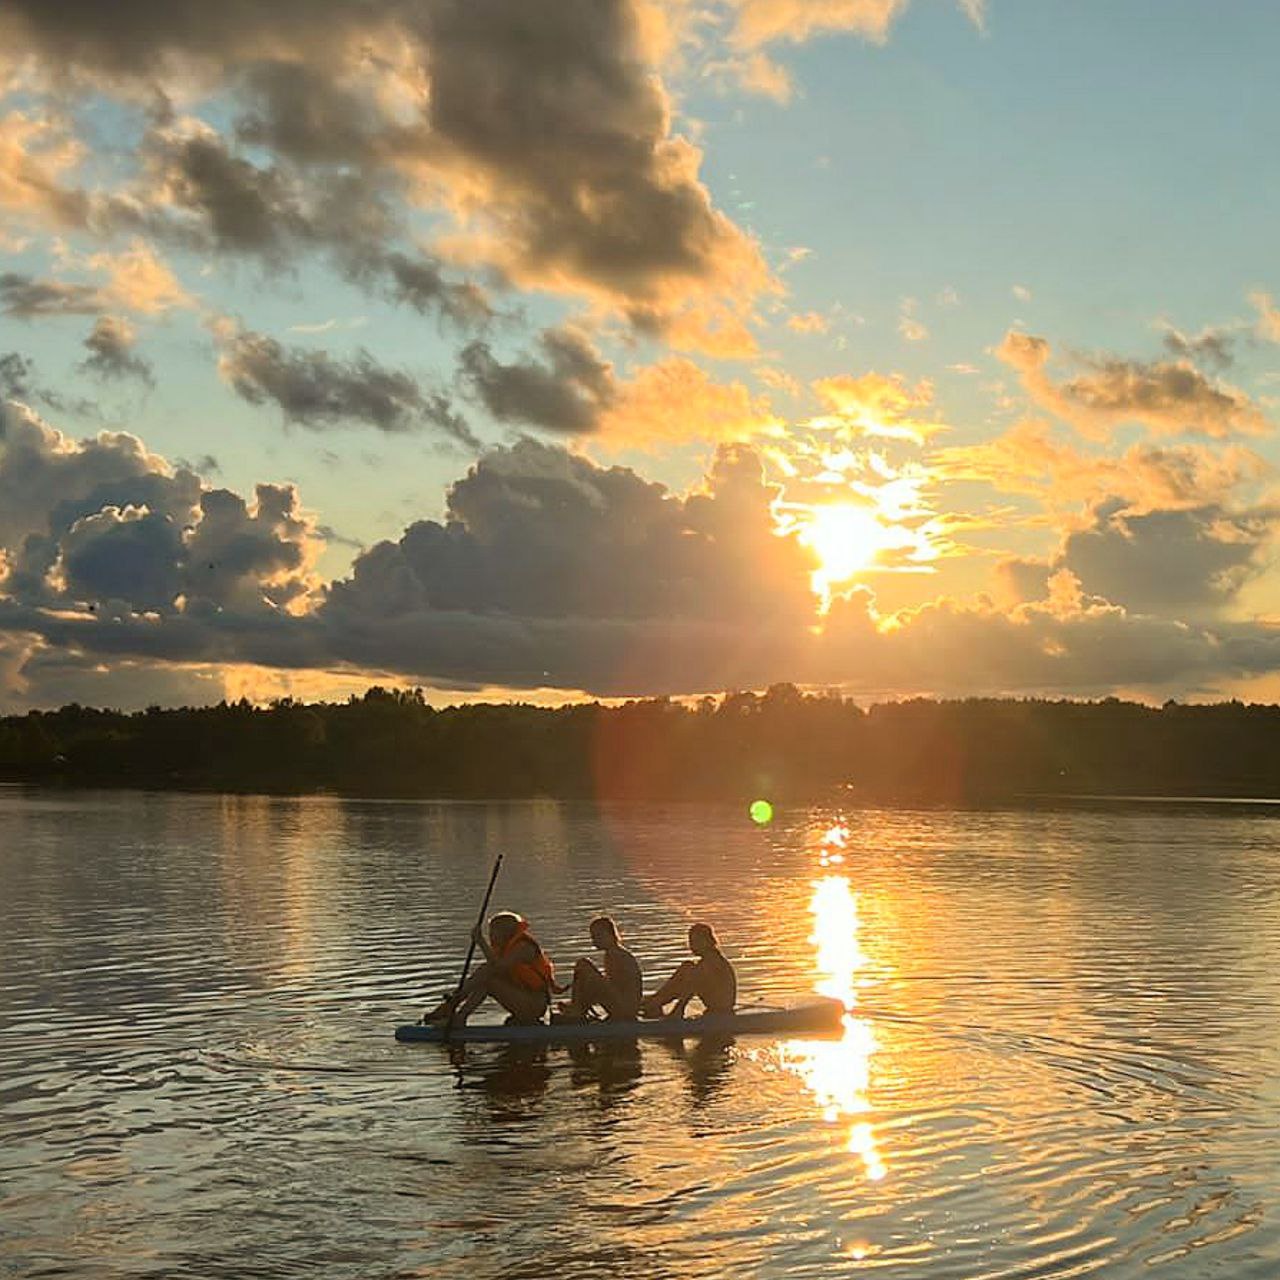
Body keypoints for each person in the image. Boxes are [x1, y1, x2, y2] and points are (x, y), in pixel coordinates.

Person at [423, 911, 557, 1028]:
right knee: (485, 973)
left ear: (506, 932)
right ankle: (452, 1009)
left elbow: (498, 967)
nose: (490, 936)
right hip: (522, 998)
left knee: (488, 979)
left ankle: (454, 1012)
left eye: (493, 931)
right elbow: (494, 968)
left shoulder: (523, 948)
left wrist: (480, 942)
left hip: (534, 1006)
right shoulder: (506, 947)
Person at [554, 915, 643, 1023]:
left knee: (583, 965)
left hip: (625, 1010)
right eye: (593, 937)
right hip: (624, 1006)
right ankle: (577, 1008)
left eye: (597, 936)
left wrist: (588, 991)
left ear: (609, 935)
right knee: (585, 969)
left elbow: (614, 988)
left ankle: (577, 1010)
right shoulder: (613, 953)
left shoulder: (616, 955)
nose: (594, 941)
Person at [639, 922, 737, 1019]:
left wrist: (678, 1009)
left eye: (695, 941)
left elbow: (692, 985)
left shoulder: (712, 961)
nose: (691, 946)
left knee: (690, 971)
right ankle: (655, 1001)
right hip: (716, 1003)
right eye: (690, 941)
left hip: (721, 1007)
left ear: (707, 941)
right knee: (687, 966)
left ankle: (663, 1005)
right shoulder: (707, 960)